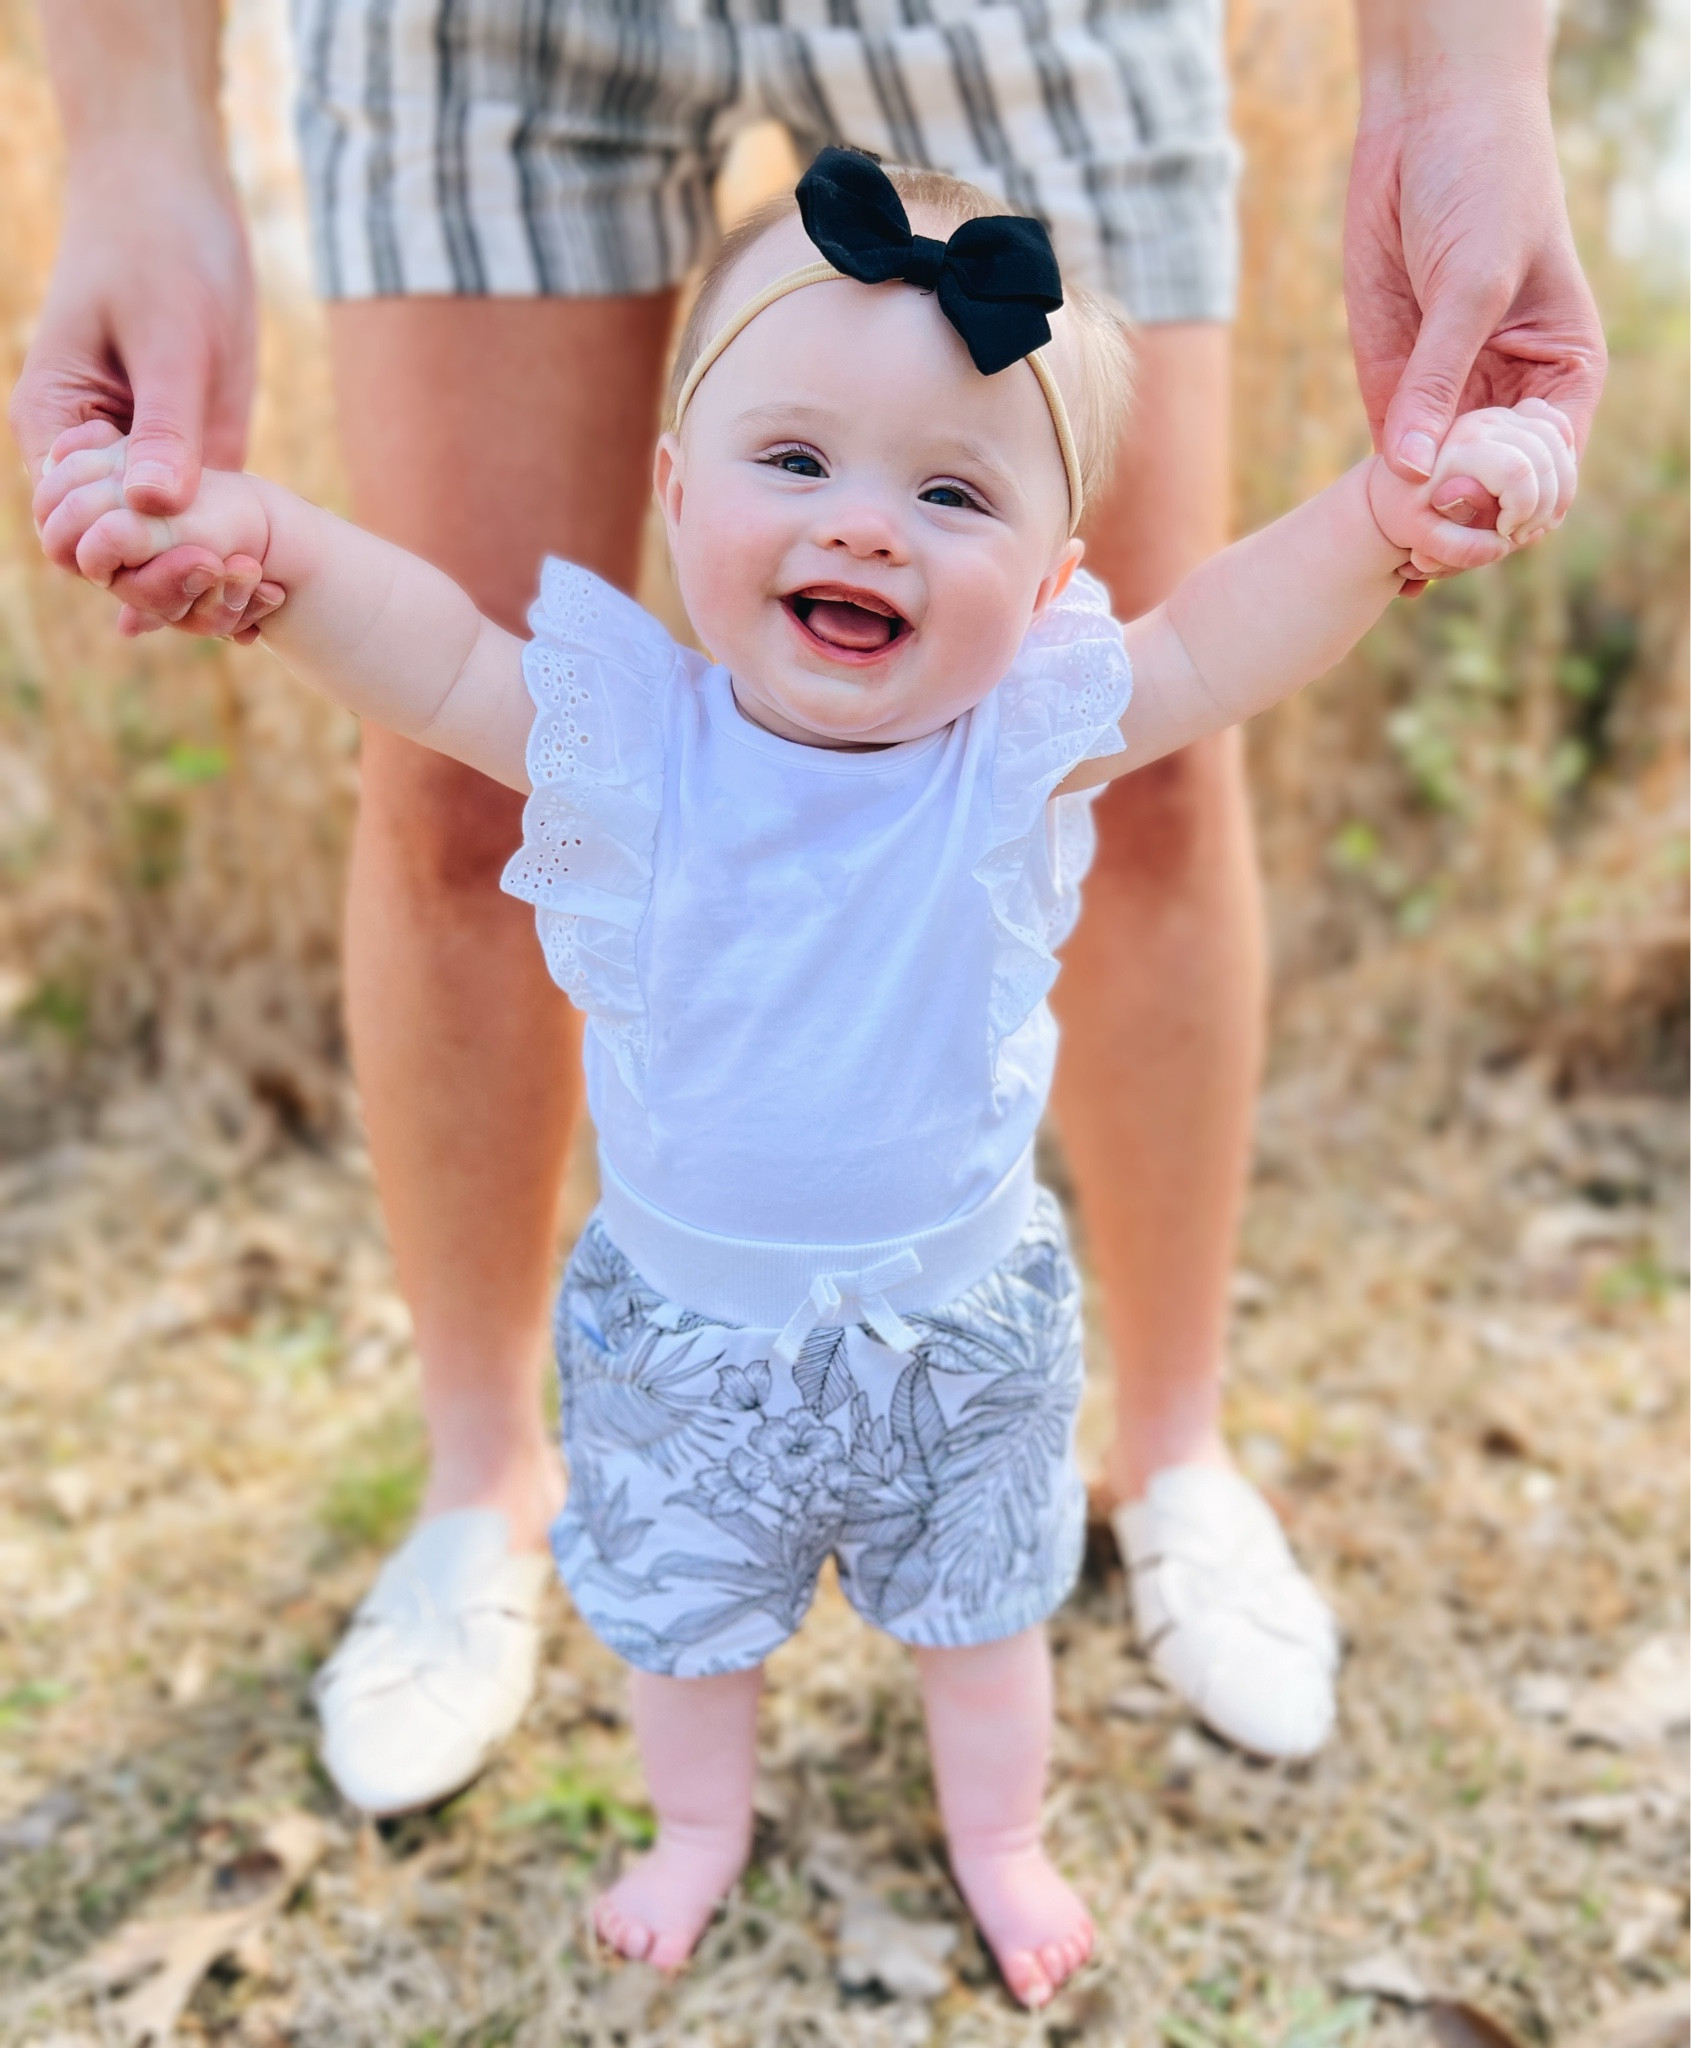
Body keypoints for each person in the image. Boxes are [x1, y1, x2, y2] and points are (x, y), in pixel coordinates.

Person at [12, 0, 1605, 1811]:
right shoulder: (631, 734)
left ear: (1049, 579)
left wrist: (1399, 512)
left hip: (956, 1317)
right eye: (793, 470)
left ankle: (1173, 1460)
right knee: (456, 807)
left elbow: (1217, 635)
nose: (863, 529)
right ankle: (484, 1491)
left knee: (1160, 804)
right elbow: (442, 654)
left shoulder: (1023, 734)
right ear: (674, 493)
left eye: (945, 494)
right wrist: (266, 556)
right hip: (481, 37)